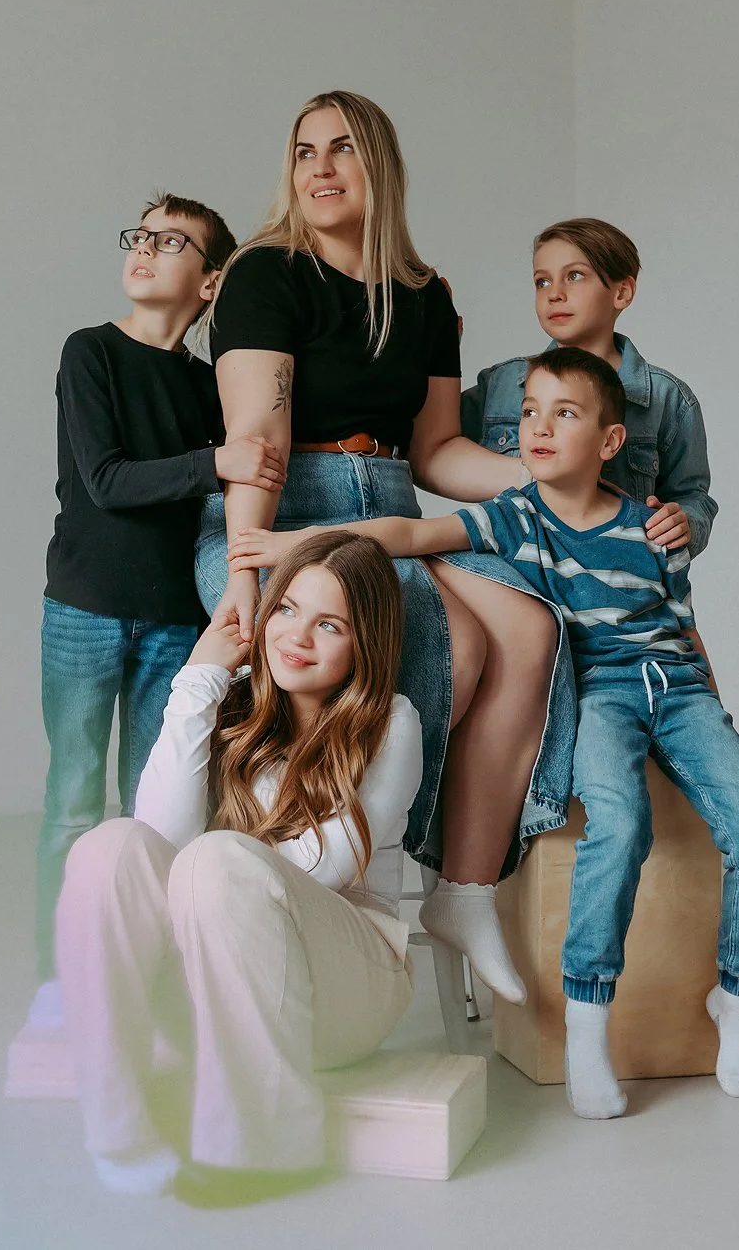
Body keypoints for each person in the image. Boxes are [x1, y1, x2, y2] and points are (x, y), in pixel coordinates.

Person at [231, 347, 739, 1119]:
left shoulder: (651, 528)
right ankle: (588, 1030)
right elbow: (409, 533)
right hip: (601, 695)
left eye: (564, 414)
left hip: (681, 693)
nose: (538, 426)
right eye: (529, 410)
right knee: (619, 825)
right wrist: (301, 547)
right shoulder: (515, 516)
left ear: (609, 443)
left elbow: (685, 635)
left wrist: (717, 724)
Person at [197, 90, 577, 1006]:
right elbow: (261, 439)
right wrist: (253, 567)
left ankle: (466, 887)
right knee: (462, 644)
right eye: (303, 152)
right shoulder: (266, 273)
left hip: (396, 505)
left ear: (381, 166)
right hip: (292, 507)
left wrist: (544, 482)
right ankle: (379, 871)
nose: (319, 169)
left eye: (341, 150)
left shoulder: (427, 295)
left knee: (529, 627)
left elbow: (439, 449)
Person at [56, 531, 423, 1200]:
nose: (297, 637)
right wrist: (199, 679)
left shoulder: (391, 724)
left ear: (363, 642)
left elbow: (323, 869)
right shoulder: (229, 700)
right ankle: (120, 1129)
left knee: (218, 858)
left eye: (329, 625)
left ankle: (263, 1148)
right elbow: (156, 840)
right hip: (215, 987)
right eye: (285, 610)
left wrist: (211, 862)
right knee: (109, 848)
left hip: (345, 993)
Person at [27, 193, 285, 1031]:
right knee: (73, 800)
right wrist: (215, 461)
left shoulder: (209, 384)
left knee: (160, 803)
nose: (145, 250)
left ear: (209, 282)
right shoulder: (90, 352)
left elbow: (239, 475)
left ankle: (141, 976)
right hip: (85, 610)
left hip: (177, 620)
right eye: (141, 234)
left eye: (172, 242)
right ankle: (60, 981)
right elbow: (104, 481)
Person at [461, 217, 718, 556]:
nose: (554, 294)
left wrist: (683, 521)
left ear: (621, 292)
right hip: (514, 585)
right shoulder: (502, 384)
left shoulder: (669, 399)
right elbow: (430, 445)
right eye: (541, 281)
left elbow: (694, 495)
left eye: (575, 275)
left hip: (613, 586)